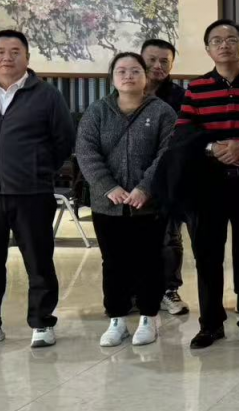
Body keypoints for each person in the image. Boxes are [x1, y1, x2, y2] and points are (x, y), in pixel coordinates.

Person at [0, 30, 75, 352]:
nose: (7, 57)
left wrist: (36, 169)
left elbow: (63, 140)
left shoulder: (47, 95)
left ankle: (42, 322)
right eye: (1, 51)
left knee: (38, 261)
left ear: (27, 57)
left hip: (32, 193)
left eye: (15, 51)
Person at [177, 20, 239, 350]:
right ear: (208, 49)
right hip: (208, 185)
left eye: (231, 39)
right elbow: (184, 133)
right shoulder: (197, 88)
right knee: (207, 256)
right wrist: (211, 148)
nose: (224, 45)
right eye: (216, 40)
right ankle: (210, 324)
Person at [75, 52, 176, 348]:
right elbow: (86, 152)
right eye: (121, 71)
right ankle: (117, 319)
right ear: (112, 77)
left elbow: (167, 153)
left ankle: (149, 317)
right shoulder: (97, 111)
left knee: (150, 260)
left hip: (149, 204)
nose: (128, 76)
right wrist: (108, 187)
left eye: (135, 71)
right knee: (113, 262)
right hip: (108, 204)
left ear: (145, 77)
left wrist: (145, 188)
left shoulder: (162, 112)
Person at [141, 38, 190, 317]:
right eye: (152, 60)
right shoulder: (125, 91)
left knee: (169, 238)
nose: (158, 66)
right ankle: (138, 291)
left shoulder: (180, 97)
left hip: (168, 178)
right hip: (129, 178)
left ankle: (169, 290)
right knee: (132, 238)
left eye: (164, 61)